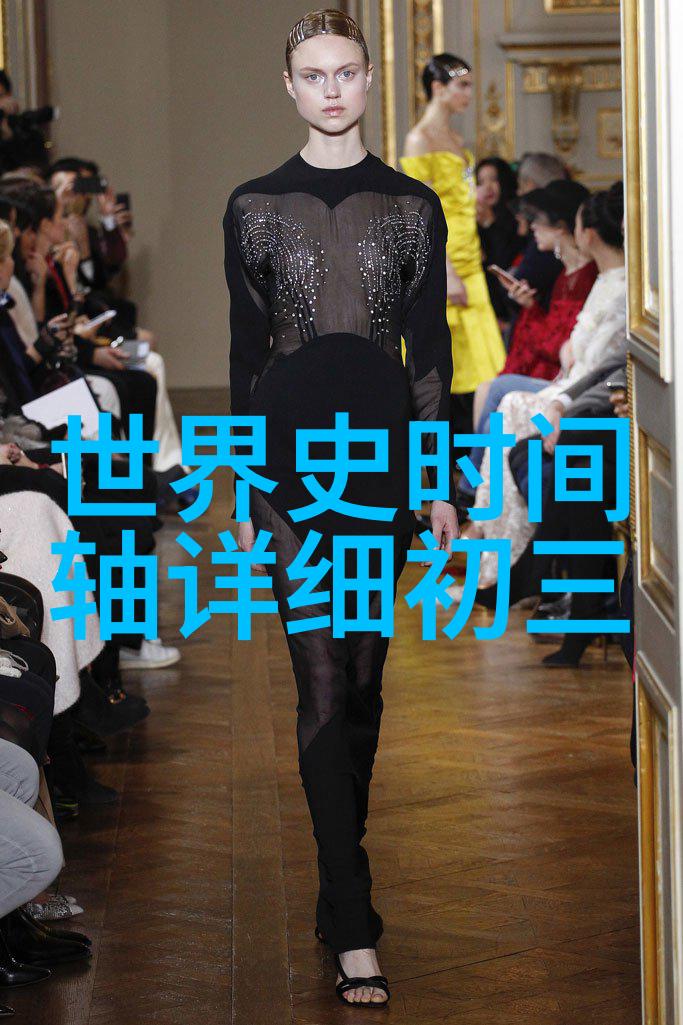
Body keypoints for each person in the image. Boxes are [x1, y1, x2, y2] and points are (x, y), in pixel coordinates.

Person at [224, 8, 458, 1007]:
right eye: (312, 74)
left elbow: (429, 357)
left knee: (363, 682)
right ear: (289, 85)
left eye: (345, 72)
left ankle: (336, 881)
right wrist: (244, 483)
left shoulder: (411, 205)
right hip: (288, 469)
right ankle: (353, 921)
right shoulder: (253, 205)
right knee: (319, 681)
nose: (330, 89)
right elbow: (244, 357)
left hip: (379, 466)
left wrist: (436, 480)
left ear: (369, 79)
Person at [454, 182, 626, 591]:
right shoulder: (598, 280)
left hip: (582, 393)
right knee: (501, 396)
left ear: (585, 232)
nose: (531, 229)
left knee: (506, 400)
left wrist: (564, 387)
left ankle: (486, 530)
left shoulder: (611, 286)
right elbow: (569, 349)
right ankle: (482, 523)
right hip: (569, 382)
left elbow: (588, 359)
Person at [400, 53, 506, 443]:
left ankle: (473, 459)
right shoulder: (419, 140)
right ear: (438, 88)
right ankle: (436, 462)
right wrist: (445, 269)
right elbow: (421, 212)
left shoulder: (458, 140)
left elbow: (454, 200)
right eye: (461, 85)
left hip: (469, 260)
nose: (469, 93)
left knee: (481, 364)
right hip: (444, 263)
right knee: (442, 367)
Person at [475, 157, 524, 325]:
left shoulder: (517, 218)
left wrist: (490, 224)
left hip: (509, 307)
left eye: (494, 180)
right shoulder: (471, 220)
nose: (487, 187)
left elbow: (504, 265)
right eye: (481, 182)